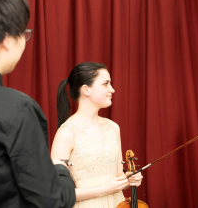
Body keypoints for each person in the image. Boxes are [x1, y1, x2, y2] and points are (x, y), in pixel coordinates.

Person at [0, 0, 76, 208]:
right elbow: (50, 201)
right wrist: (61, 170)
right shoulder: (18, 109)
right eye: (24, 32)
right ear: (7, 40)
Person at [51, 62, 143, 208]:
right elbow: (57, 191)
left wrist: (129, 179)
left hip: (117, 203)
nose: (112, 89)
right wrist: (104, 190)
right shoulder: (66, 133)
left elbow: (118, 175)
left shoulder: (113, 127)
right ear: (86, 90)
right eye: (105, 84)